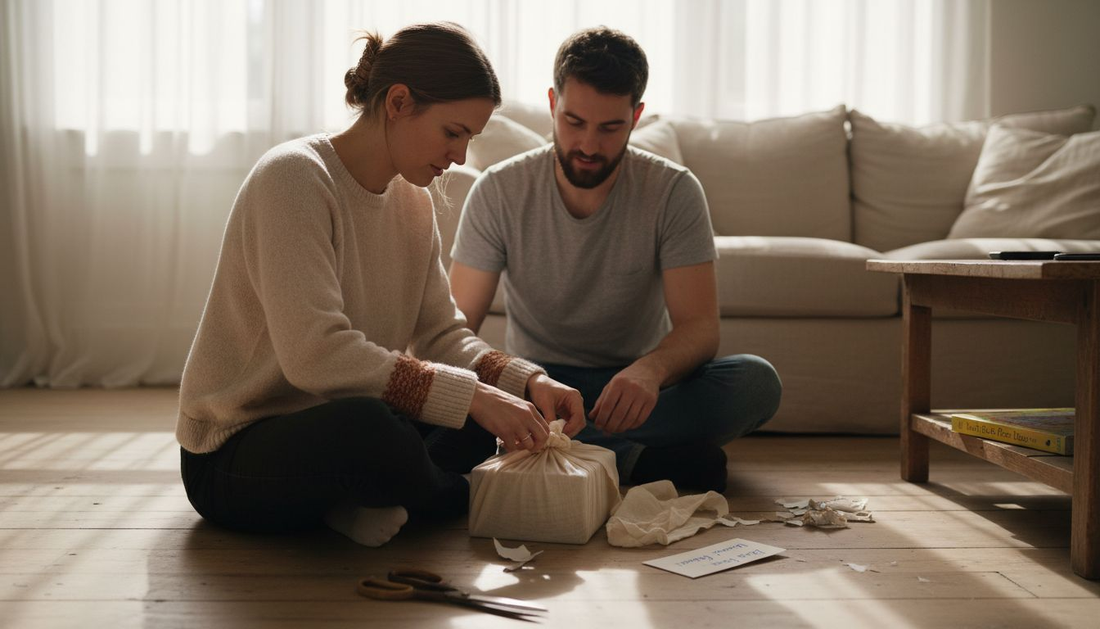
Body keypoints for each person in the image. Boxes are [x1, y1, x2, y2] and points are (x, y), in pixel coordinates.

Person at [176, 22, 585, 548]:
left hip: (334, 427)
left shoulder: (415, 202)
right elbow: (316, 356)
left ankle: (362, 501)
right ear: (397, 102)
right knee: (373, 429)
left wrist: (527, 384)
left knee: (485, 420)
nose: (459, 157)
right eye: (452, 132)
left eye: (469, 138)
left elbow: (443, 335)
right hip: (234, 452)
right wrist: (474, 397)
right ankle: (458, 497)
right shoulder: (293, 179)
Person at [449, 26, 782, 493]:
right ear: (552, 103)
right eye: (574, 122)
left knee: (755, 383)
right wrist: (516, 385)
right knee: (449, 396)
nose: (588, 145)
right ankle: (630, 459)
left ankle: (566, 447)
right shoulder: (498, 190)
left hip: (634, 390)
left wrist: (650, 370)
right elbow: (456, 329)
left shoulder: (674, 191)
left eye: (610, 128)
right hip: (536, 384)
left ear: (637, 116)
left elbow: (700, 327)